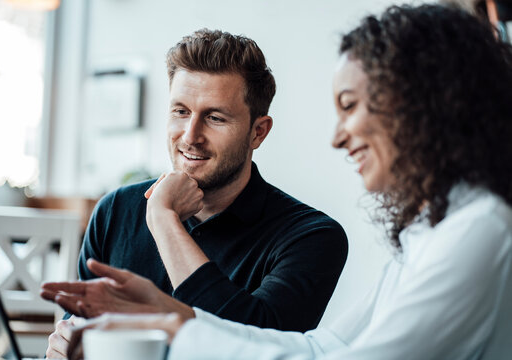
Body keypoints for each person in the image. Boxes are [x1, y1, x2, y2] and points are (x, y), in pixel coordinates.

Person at [49, 3, 512, 359]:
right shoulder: (430, 228)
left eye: (350, 106)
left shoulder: (479, 228)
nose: (336, 137)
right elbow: (320, 348)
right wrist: (171, 316)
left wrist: (174, 309)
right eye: (180, 111)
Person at [42, 29, 348, 358]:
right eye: (181, 111)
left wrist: (164, 219)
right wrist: (65, 344)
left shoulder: (313, 237)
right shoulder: (116, 210)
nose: (190, 136)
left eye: (214, 118)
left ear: (258, 132)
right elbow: (81, 325)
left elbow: (256, 344)